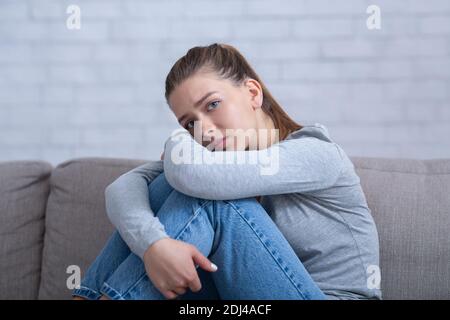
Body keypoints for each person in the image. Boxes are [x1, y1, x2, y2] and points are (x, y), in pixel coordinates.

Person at [72, 43, 382, 300]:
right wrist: (154, 246)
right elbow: (122, 188)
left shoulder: (318, 154)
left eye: (212, 105)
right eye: (188, 123)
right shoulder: (216, 160)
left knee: (211, 197)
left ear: (252, 93)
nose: (202, 130)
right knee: (167, 187)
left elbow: (196, 177)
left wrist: (178, 140)